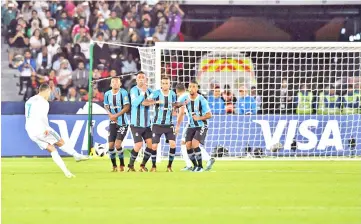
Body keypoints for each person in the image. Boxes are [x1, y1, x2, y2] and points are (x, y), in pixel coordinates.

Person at [25, 84, 89, 178]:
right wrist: (46, 128)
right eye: (49, 92)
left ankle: (66, 172)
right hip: (40, 128)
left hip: (30, 130)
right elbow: (41, 116)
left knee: (52, 149)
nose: (49, 94)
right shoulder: (43, 102)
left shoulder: (30, 100)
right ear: (46, 91)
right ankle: (76, 155)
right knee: (60, 142)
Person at [174, 83, 215, 171]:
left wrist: (178, 126)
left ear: (197, 88)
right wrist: (183, 103)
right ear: (187, 88)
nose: (191, 88)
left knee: (193, 144)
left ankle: (199, 166)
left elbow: (209, 114)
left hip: (201, 124)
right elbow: (176, 105)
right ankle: (195, 165)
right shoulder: (185, 97)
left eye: (194, 87)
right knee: (188, 145)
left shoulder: (201, 99)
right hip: (191, 125)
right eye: (190, 87)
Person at [145, 76, 177, 172]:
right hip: (157, 124)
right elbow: (145, 102)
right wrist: (156, 101)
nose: (165, 85)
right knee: (154, 146)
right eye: (163, 83)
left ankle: (169, 167)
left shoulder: (172, 94)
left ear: (169, 84)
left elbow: (174, 105)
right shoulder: (156, 93)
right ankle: (154, 166)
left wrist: (175, 110)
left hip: (169, 124)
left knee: (173, 144)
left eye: (167, 83)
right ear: (161, 84)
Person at [128, 71, 153, 172]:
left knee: (151, 145)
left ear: (146, 79)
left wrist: (146, 101)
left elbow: (152, 102)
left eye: (143, 77)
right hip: (136, 124)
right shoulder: (133, 90)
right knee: (138, 145)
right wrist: (142, 93)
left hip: (147, 124)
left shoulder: (150, 91)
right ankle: (130, 165)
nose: (141, 78)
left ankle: (142, 165)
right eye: (139, 77)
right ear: (137, 79)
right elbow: (135, 103)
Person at [104, 77, 130, 172]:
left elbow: (127, 107)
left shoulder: (123, 93)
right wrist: (110, 114)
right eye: (113, 82)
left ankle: (122, 164)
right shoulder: (107, 94)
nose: (115, 83)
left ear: (120, 84)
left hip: (122, 123)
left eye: (117, 82)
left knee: (117, 144)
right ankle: (114, 166)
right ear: (111, 84)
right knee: (110, 145)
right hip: (112, 122)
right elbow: (106, 105)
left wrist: (116, 115)